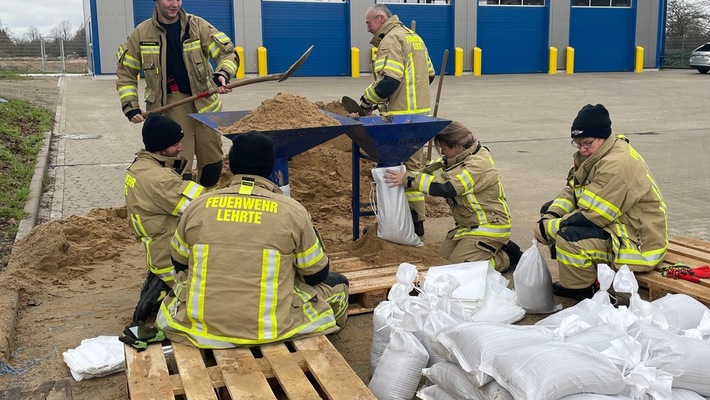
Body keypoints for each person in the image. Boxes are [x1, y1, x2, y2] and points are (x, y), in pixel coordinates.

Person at [156, 131, 349, 349]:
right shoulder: (292, 211)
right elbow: (316, 275)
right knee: (339, 286)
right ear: (269, 168)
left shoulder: (198, 206)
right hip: (271, 330)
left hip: (200, 329)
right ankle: (331, 342)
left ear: (231, 165)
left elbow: (180, 263)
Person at [534, 104, 668, 300]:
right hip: (618, 223)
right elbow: (573, 190)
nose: (582, 150)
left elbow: (592, 216)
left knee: (570, 237)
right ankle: (582, 274)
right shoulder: (597, 153)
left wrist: (548, 229)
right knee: (552, 213)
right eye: (577, 143)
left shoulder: (617, 164)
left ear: (603, 137)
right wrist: (551, 215)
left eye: (587, 143)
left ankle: (580, 289)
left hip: (640, 243)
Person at [115, 0, 239, 189]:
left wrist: (222, 73)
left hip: (205, 104)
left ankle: (207, 205)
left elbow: (227, 54)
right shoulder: (141, 33)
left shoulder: (197, 26)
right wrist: (130, 106)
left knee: (213, 164)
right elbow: (126, 73)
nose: (175, 4)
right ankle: (184, 209)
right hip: (170, 106)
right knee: (181, 167)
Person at [384, 121, 522, 272]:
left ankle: (506, 257)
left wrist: (408, 179)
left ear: (456, 147)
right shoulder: (459, 158)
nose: (442, 152)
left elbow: (447, 187)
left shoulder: (477, 165)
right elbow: (432, 175)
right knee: (441, 262)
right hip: (466, 226)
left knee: (457, 270)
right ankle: (483, 252)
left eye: (443, 148)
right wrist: (406, 174)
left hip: (489, 227)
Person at [360, 3, 436, 237]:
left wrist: (366, 101)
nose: (368, 29)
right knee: (413, 166)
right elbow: (430, 75)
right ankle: (416, 221)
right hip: (419, 115)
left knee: (393, 167)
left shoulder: (391, 40)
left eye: (368, 23)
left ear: (381, 19)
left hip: (401, 118)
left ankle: (401, 222)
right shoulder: (414, 37)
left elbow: (389, 81)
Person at [124, 113, 205, 324]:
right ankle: (161, 299)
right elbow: (201, 207)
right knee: (204, 299)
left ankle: (158, 289)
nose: (180, 148)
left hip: (156, 250)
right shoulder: (161, 180)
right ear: (161, 148)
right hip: (169, 257)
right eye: (176, 144)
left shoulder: (140, 166)